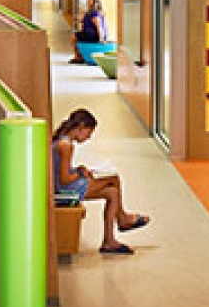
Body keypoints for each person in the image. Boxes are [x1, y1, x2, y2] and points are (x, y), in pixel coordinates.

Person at [52, 108, 150, 254]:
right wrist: (80, 173)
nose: (88, 137)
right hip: (65, 190)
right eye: (89, 133)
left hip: (63, 187)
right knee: (113, 178)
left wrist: (79, 170)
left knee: (112, 193)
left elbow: (62, 171)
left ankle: (109, 242)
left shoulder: (62, 139)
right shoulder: (66, 145)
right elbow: (65, 179)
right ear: (81, 127)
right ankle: (122, 218)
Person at [68, 0, 109, 64]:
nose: (87, 1)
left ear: (94, 2)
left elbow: (99, 27)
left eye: (89, 0)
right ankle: (80, 56)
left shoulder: (95, 13)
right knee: (76, 35)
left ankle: (78, 57)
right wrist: (78, 20)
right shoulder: (90, 12)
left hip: (93, 35)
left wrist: (101, 39)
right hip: (90, 33)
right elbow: (85, 20)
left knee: (74, 37)